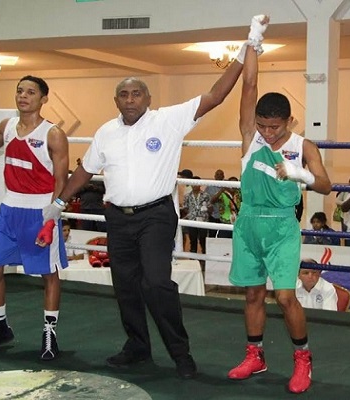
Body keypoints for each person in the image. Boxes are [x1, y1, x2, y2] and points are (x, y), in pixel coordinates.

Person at [47, 16, 257, 380]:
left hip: (156, 215)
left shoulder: (168, 120)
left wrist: (245, 48)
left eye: (137, 93)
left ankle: (180, 352)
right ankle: (138, 347)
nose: (130, 100)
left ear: (148, 97)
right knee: (125, 285)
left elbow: (217, 95)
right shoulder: (105, 133)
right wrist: (60, 201)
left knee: (156, 282)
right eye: (124, 95)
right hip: (118, 217)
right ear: (116, 100)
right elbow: (85, 171)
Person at [227, 16, 332, 394]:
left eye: (276, 127)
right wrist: (254, 39)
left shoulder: (303, 146)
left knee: (285, 296)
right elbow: (250, 84)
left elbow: (326, 184)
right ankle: (255, 355)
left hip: (283, 226)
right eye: (263, 126)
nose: (268, 133)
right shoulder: (249, 134)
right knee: (253, 293)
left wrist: (301, 175)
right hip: (249, 223)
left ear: (290, 120)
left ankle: (302, 358)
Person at [0, 75, 69, 361]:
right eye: (20, 91)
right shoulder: (7, 126)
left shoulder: (53, 133)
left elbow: (61, 180)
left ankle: (50, 332)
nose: (23, 96)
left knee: (48, 273)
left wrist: (51, 219)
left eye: (31, 92)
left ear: (43, 98)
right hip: (9, 209)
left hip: (40, 210)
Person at [181, 176, 212, 264]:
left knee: (203, 240)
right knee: (192, 240)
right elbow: (185, 207)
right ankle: (193, 259)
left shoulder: (205, 195)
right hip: (192, 221)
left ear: (200, 185)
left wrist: (205, 212)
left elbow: (210, 207)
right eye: (193, 183)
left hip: (203, 220)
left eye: (196, 184)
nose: (195, 186)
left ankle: (204, 259)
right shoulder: (187, 196)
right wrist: (192, 214)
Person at [204, 169, 224, 237]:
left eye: (220, 174)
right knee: (212, 235)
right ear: (214, 176)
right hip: (213, 215)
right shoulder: (209, 187)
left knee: (223, 236)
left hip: (224, 216)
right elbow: (208, 200)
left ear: (223, 176)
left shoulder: (227, 186)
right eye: (217, 174)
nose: (219, 176)